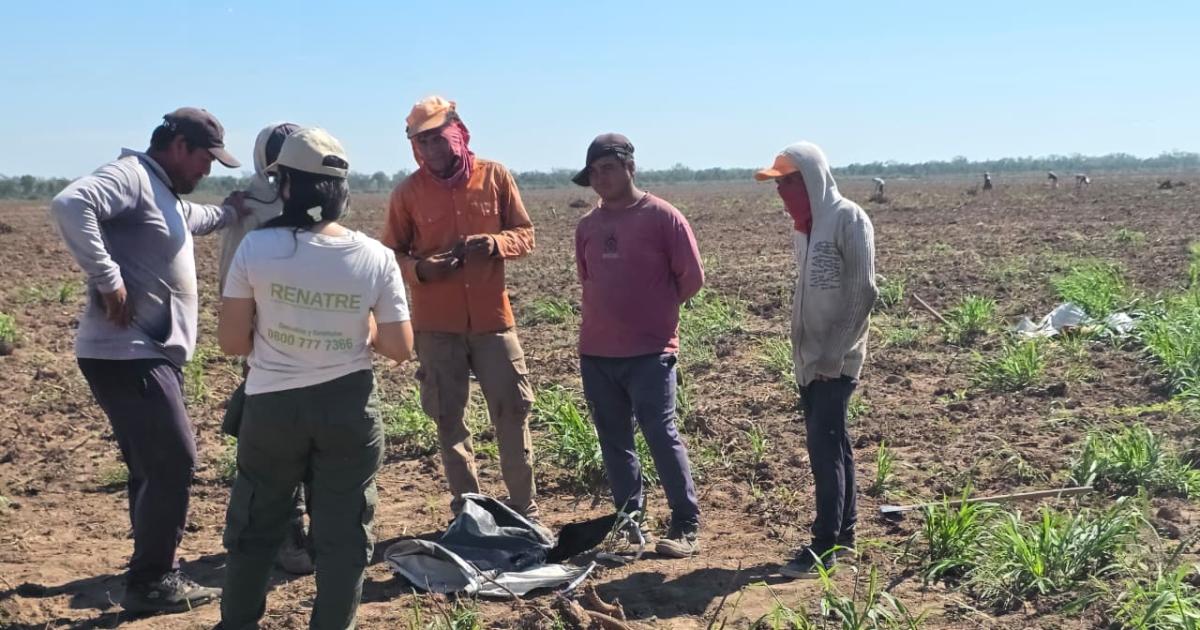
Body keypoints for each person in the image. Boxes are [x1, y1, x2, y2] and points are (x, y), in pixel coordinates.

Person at [216, 128, 414, 629]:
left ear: (284, 186)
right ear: (340, 191)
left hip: (271, 410)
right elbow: (399, 349)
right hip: (347, 409)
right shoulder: (374, 257)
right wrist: (361, 324)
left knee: (256, 528)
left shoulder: (255, 251)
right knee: (344, 537)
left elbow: (233, 343)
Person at [48, 107, 243, 613]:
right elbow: (71, 203)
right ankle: (154, 581)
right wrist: (107, 277)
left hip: (145, 352)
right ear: (178, 145)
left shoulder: (164, 193)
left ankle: (149, 571)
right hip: (128, 352)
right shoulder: (132, 176)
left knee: (152, 466)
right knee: (175, 460)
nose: (206, 170)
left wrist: (232, 208)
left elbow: (191, 220)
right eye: (205, 159)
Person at [381, 96, 543, 525]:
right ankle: (470, 513)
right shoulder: (407, 194)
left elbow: (525, 234)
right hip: (437, 327)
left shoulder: (496, 177)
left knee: (512, 411)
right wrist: (422, 269)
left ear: (459, 132)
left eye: (440, 139)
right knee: (449, 420)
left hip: (493, 320)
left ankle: (524, 508)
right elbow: (388, 256)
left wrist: (496, 244)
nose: (434, 149)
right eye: (424, 142)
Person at [572, 133, 704, 558]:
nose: (600, 178)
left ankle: (685, 523)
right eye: (593, 172)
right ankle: (631, 521)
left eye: (607, 168)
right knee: (613, 439)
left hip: (650, 352)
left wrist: (654, 315)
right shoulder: (588, 226)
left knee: (660, 433)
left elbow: (691, 278)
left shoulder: (663, 217)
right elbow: (587, 278)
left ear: (629, 166)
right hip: (597, 352)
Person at [754, 142, 877, 579]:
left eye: (788, 183)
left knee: (825, 450)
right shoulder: (803, 230)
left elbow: (863, 291)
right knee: (834, 445)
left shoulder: (848, 219)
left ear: (811, 180)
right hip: (810, 360)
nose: (782, 192)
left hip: (835, 360)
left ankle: (825, 544)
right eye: (779, 184)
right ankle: (844, 537)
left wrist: (832, 354)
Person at [216, 121, 316, 576]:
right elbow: (232, 281)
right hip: (268, 345)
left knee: (315, 441)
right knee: (276, 446)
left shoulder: (319, 201)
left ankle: (313, 532)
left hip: (317, 342)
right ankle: (285, 534)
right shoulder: (247, 208)